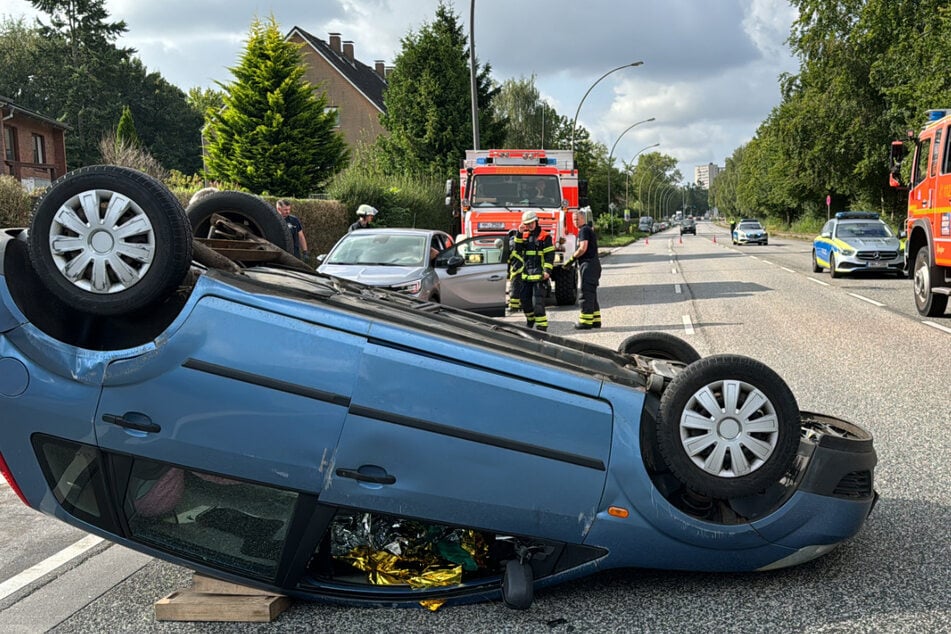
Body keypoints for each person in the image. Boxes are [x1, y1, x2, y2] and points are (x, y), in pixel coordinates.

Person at [513, 210, 554, 331]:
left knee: (538, 304)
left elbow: (549, 256)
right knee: (525, 301)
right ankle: (530, 320)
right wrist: (518, 234)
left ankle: (542, 327)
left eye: (531, 223)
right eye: (527, 224)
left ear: (536, 222)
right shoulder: (524, 236)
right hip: (526, 276)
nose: (529, 226)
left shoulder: (545, 236)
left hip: (539, 276)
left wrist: (547, 271)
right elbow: (517, 250)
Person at [565, 208, 602, 329]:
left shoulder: (584, 230)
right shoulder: (585, 230)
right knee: (592, 293)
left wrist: (571, 259)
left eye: (577, 219)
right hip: (593, 265)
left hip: (588, 265)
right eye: (573, 219)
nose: (575, 221)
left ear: (583, 219)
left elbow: (582, 248)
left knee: (586, 294)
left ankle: (585, 322)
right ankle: (595, 320)